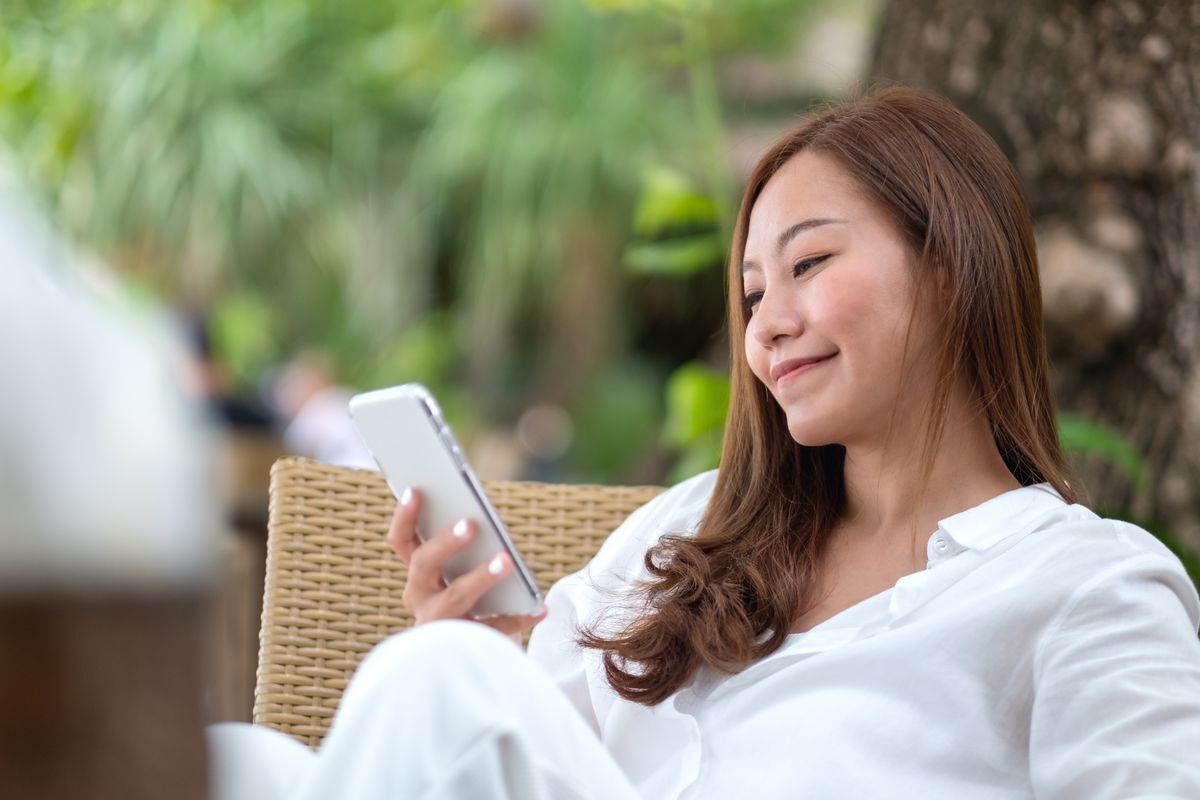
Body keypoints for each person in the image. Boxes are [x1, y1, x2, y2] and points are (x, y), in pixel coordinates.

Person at [208, 86, 1200, 799]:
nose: (764, 324)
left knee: (439, 684)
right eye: (754, 289)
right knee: (233, 758)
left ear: (951, 267)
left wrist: (457, 682)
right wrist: (485, 649)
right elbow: (511, 735)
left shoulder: (1085, 589)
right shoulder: (695, 523)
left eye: (809, 261)